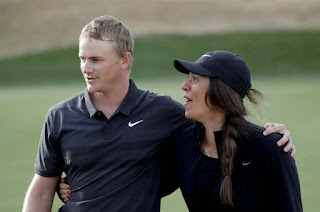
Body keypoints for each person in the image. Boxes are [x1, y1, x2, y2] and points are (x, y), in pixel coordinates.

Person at [22, 15, 294, 212]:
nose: (85, 68)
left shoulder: (165, 114)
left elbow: (225, 122)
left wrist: (274, 138)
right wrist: (66, 186)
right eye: (82, 58)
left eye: (95, 59)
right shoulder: (59, 116)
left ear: (124, 61)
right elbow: (42, 189)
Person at [172, 50, 302, 211]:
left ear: (220, 92)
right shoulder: (183, 142)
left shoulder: (269, 148)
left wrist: (276, 145)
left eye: (195, 79)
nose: (184, 86)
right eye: (188, 78)